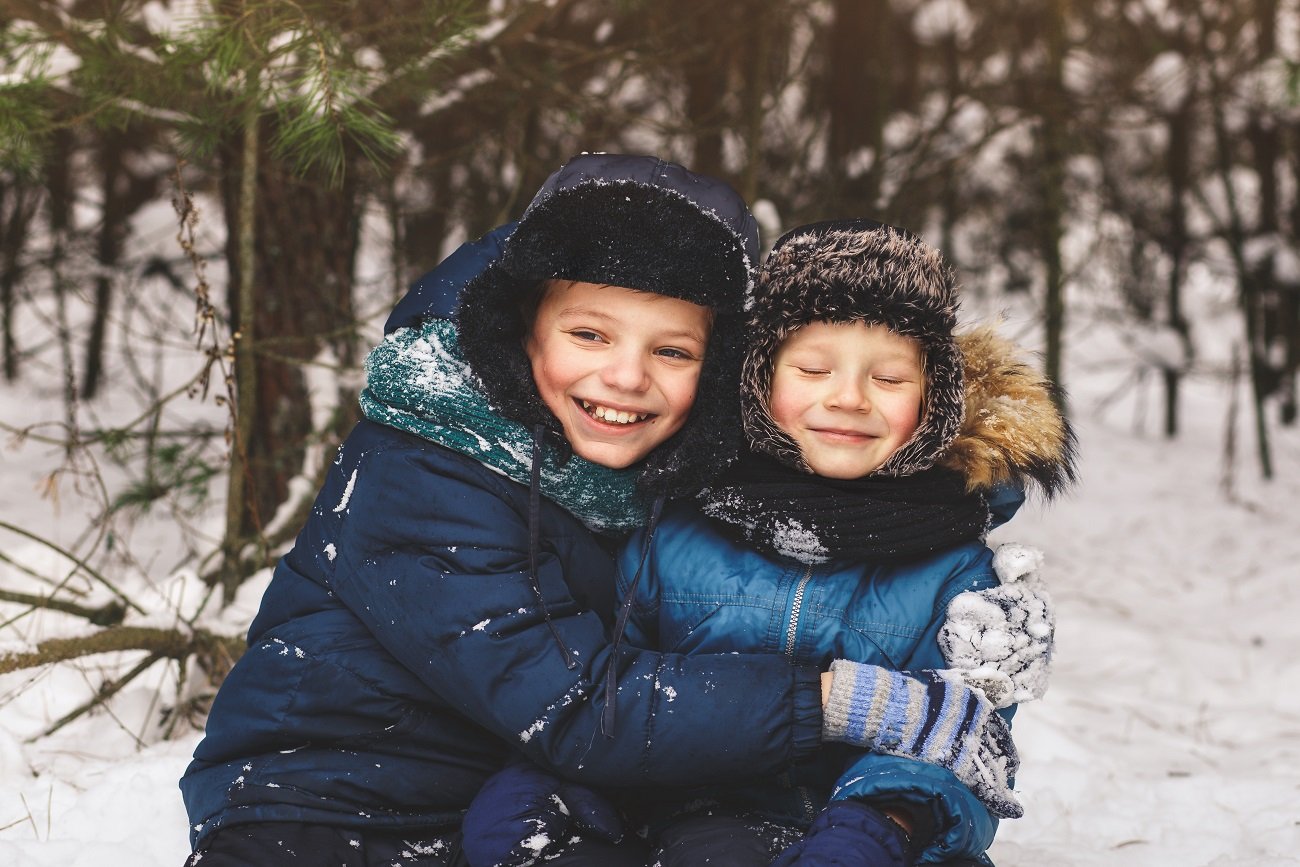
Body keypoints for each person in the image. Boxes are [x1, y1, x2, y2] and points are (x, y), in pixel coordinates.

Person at [178, 158, 1022, 867]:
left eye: (673, 350)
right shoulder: (428, 469)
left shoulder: (661, 470)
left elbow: (833, 483)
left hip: (503, 800)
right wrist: (841, 697)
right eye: (589, 335)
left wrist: (978, 601)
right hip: (328, 808)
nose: (625, 377)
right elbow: (578, 704)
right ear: (522, 332)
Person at [462, 219, 1075, 866]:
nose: (848, 398)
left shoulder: (956, 571)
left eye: (889, 380)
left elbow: (965, 737)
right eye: (812, 368)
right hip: (688, 811)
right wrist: (551, 784)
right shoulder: (679, 526)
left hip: (871, 830)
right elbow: (617, 683)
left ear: (935, 400)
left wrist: (882, 821)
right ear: (761, 379)